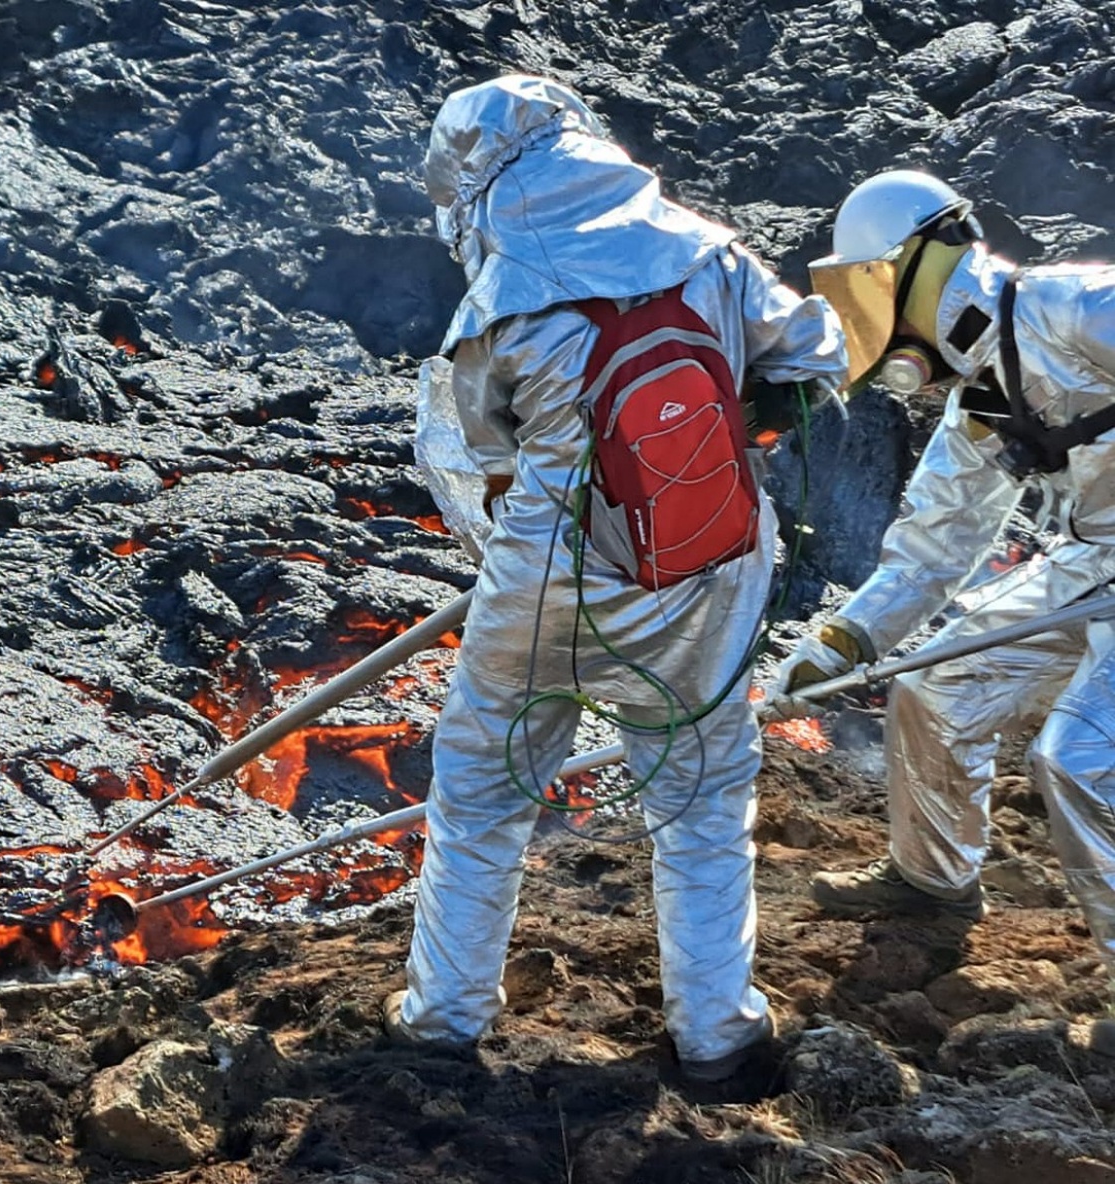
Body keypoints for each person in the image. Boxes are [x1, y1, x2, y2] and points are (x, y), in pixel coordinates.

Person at [388, 75, 846, 1084]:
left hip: (542, 593)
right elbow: (814, 349)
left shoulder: (495, 305)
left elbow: (473, 452)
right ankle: (715, 1033)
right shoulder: (710, 255)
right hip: (697, 577)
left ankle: (441, 1024)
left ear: (475, 180)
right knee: (699, 805)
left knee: (479, 797)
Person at [775, 170, 1115, 1045]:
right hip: (1096, 561)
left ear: (922, 270)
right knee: (934, 687)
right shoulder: (982, 402)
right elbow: (932, 548)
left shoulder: (1077, 307)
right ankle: (932, 880)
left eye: (869, 291)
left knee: (1078, 759)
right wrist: (842, 642)